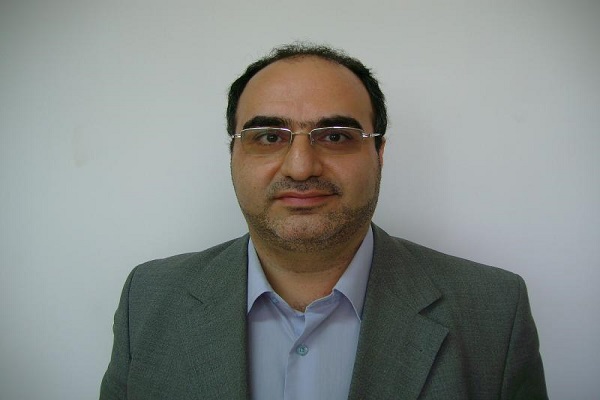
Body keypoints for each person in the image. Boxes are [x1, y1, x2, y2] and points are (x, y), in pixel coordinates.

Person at [100, 43, 547, 400]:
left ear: (379, 154)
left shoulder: (494, 312)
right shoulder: (149, 299)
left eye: (335, 136)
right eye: (268, 137)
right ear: (233, 153)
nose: (300, 167)